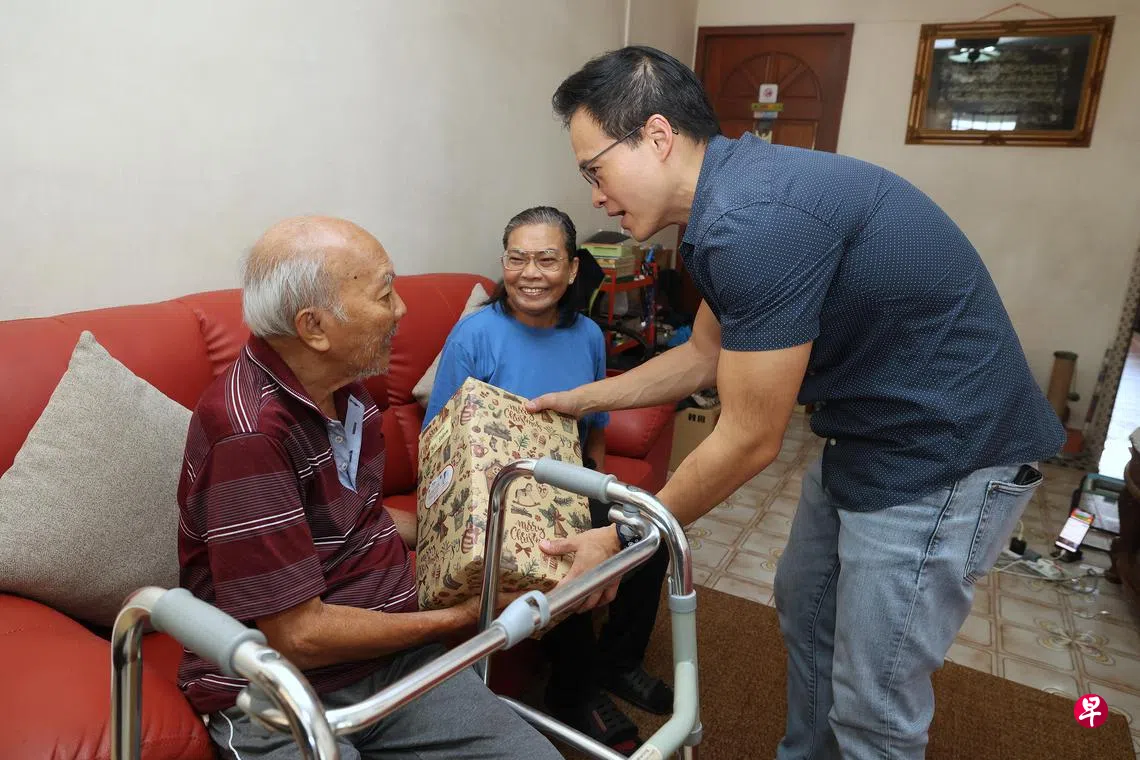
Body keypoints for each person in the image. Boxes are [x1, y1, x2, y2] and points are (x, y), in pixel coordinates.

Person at [527, 46, 1067, 760]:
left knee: (875, 701)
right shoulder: (727, 201)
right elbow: (703, 356)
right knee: (807, 608)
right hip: (869, 434)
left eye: (595, 170)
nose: (594, 195)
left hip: (946, 451)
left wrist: (625, 535)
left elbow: (751, 438)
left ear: (656, 136)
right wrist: (578, 398)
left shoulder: (752, 221)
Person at [175, 216, 561, 760]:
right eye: (385, 294)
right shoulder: (250, 434)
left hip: (393, 664)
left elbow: (356, 519)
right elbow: (297, 636)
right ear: (314, 328)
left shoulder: (348, 394)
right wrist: (468, 616)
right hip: (282, 693)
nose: (401, 310)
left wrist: (486, 536)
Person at [422, 205, 672, 756]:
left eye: (546, 260)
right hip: (500, 495)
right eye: (517, 259)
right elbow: (439, 437)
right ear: (503, 264)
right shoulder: (474, 334)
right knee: (565, 557)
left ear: (572, 268)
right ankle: (572, 694)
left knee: (648, 533)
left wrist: (597, 486)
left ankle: (619, 662)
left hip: (572, 482)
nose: (530, 274)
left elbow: (594, 428)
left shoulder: (587, 335)